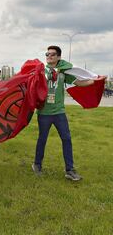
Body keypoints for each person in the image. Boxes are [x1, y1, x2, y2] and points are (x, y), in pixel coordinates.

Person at [32, 45, 94, 181]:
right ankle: (37, 164)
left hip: (59, 112)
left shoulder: (63, 72)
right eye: (47, 54)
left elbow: (78, 82)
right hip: (44, 112)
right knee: (42, 139)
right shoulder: (41, 71)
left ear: (58, 57)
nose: (49, 56)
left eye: (52, 54)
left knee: (66, 139)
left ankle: (69, 170)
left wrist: (94, 80)